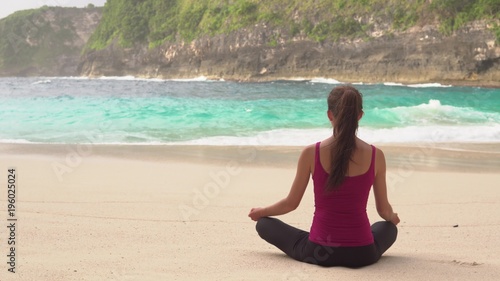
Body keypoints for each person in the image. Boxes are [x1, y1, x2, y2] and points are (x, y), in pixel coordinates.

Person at [248, 85, 399, 268]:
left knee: (264, 225)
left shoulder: (311, 153)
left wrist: (261, 212)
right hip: (363, 253)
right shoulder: (377, 155)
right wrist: (393, 216)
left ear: (329, 115)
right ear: (359, 115)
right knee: (388, 228)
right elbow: (383, 211)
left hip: (318, 252)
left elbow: (291, 204)